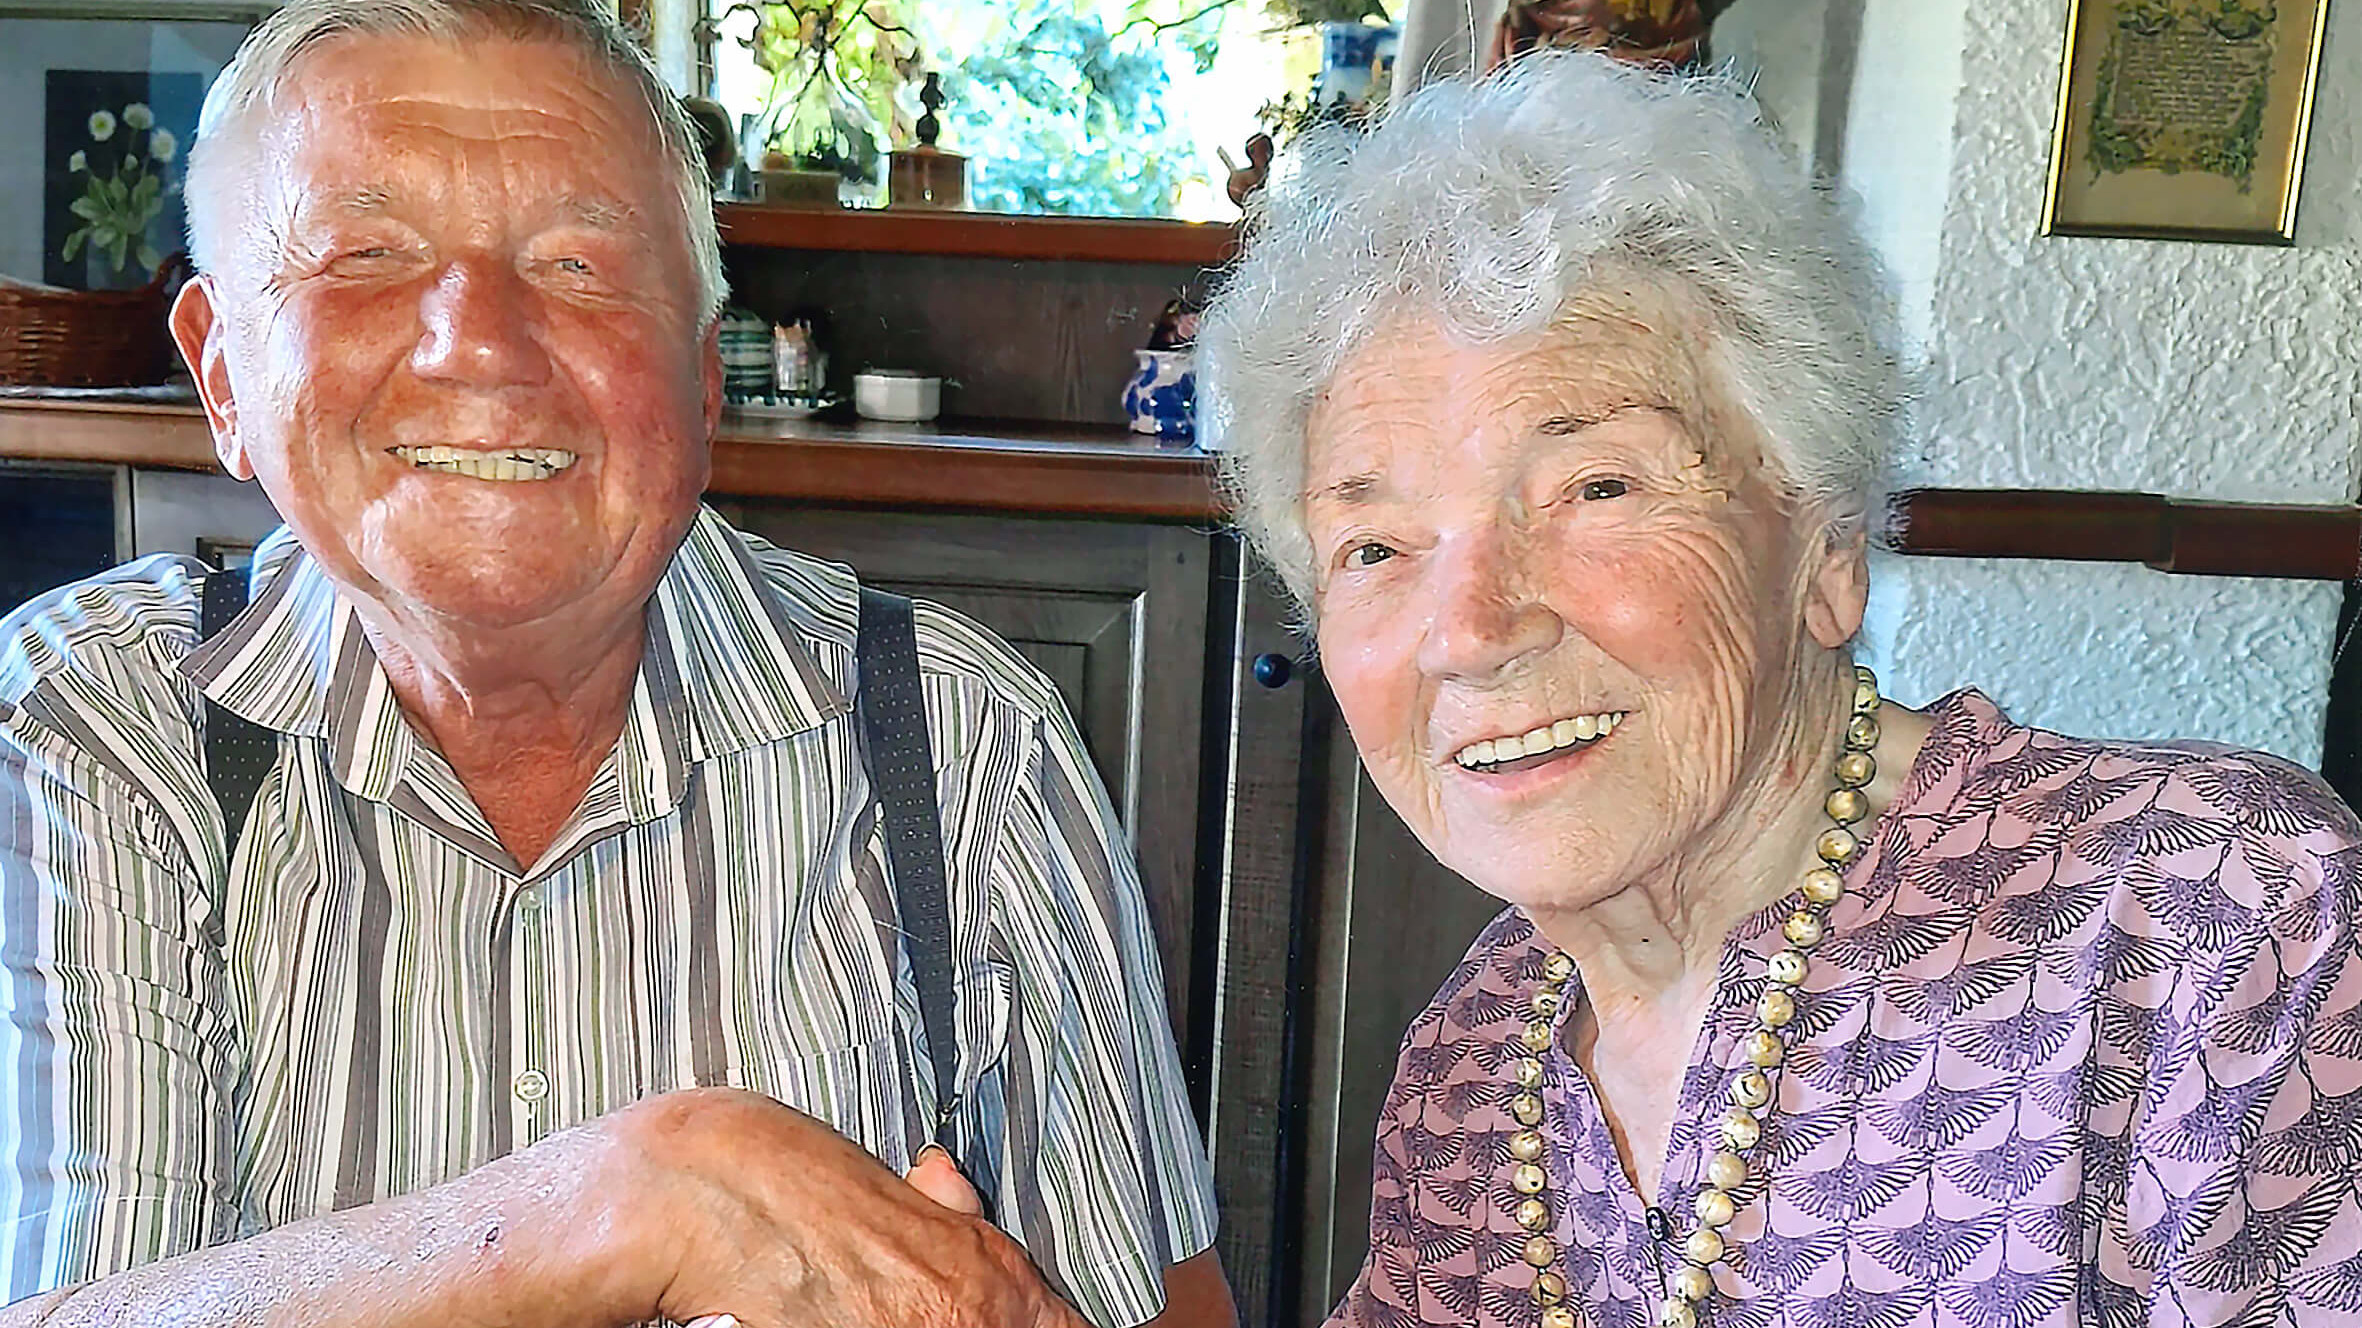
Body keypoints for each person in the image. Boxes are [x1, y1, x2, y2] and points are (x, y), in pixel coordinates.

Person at [0, 3, 1234, 1325]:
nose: (476, 340)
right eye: (365, 254)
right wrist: (643, 1195)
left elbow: (1150, 1310)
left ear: (704, 380)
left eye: (581, 264)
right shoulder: (95, 719)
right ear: (221, 373)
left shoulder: (964, 734)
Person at [1198, 49, 2362, 1328]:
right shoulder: (1472, 1069)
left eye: (1599, 488)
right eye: (1375, 547)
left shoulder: (2216, 923)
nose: (1469, 631)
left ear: (1826, 551)